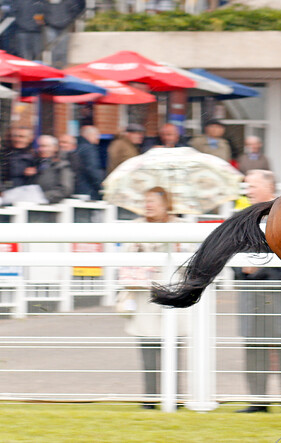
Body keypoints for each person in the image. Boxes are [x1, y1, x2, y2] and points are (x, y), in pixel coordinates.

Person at [235, 169, 281, 414]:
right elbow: (234, 260)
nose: (249, 190)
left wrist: (257, 271)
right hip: (253, 299)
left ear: (269, 187)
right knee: (254, 353)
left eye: (253, 185)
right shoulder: (242, 219)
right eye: (247, 185)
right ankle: (258, 401)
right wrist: (243, 272)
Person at [116, 187, 190, 409]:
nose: (148, 205)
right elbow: (125, 259)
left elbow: (191, 262)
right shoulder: (136, 227)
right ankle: (150, 397)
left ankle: (174, 397)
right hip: (144, 295)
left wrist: (179, 249)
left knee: (173, 348)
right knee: (148, 347)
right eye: (145, 200)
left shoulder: (181, 227)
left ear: (166, 203)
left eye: (153, 201)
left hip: (172, 295)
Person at [43, 0, 85, 68]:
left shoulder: (69, 2)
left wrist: (70, 20)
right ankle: (54, 68)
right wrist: (47, 21)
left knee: (63, 50)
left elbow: (78, 9)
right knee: (53, 49)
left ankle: (63, 69)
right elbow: (42, 9)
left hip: (65, 27)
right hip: (51, 26)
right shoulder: (47, 2)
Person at [33, 135, 74, 204]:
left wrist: (42, 196)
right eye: (39, 146)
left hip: (52, 207)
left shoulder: (62, 166)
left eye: (45, 146)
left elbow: (65, 190)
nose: (41, 149)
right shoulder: (35, 163)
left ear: (55, 148)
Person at [73, 125, 104, 200]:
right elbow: (92, 169)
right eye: (96, 135)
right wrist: (101, 186)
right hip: (88, 189)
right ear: (89, 135)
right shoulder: (89, 149)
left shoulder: (76, 147)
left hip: (76, 187)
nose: (98, 138)